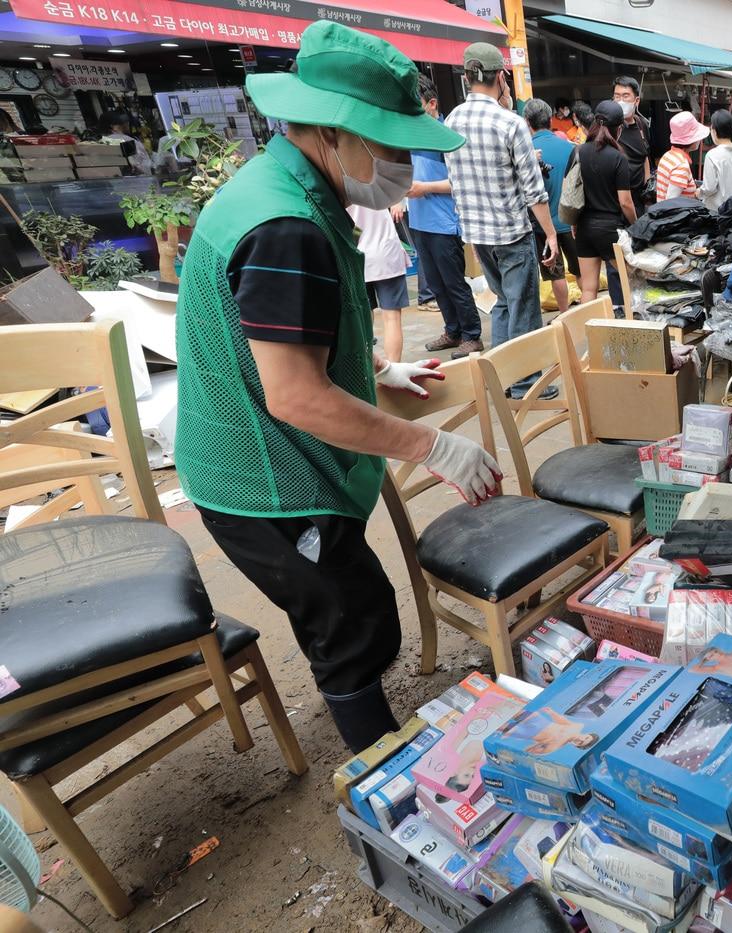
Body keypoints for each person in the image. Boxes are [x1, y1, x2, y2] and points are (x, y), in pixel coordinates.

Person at [173, 21, 502, 753]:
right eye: (389, 144)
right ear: (333, 132)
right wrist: (434, 446)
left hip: (266, 449)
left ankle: (362, 717)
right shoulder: (286, 225)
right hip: (259, 475)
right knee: (353, 616)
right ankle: (381, 765)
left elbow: (292, 330)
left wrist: (381, 368)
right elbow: (296, 395)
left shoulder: (294, 187)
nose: (400, 162)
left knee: (341, 605)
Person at [445, 42, 559, 394]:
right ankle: (524, 382)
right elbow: (533, 190)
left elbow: (457, 181)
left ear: (466, 77)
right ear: (502, 77)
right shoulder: (510, 123)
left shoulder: (451, 121)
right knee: (523, 308)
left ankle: (502, 379)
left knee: (503, 303)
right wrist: (551, 235)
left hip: (477, 234)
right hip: (510, 232)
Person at [406, 76, 483, 356]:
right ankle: (453, 331)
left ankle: (472, 334)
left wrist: (424, 188)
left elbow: (461, 181)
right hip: (419, 221)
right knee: (436, 285)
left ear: (432, 104)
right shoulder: (410, 136)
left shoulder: (446, 135)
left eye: (417, 105)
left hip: (443, 222)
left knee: (454, 283)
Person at [575, 101, 638, 304]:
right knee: (631, 281)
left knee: (588, 288)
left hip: (584, 227)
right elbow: (625, 202)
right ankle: (630, 329)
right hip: (610, 229)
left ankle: (588, 332)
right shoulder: (618, 158)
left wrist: (574, 224)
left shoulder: (578, 152)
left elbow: (572, 194)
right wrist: (636, 226)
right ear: (618, 129)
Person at [524, 98, 582, 314]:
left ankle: (564, 314)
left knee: (556, 273)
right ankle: (586, 311)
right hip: (573, 221)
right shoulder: (571, 147)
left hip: (545, 225)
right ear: (550, 119)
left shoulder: (527, 151)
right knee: (581, 271)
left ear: (527, 122)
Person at [347, 205, 409, 362]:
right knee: (392, 318)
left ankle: (366, 367)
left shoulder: (340, 185)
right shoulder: (379, 183)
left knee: (363, 319)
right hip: (386, 254)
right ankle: (394, 372)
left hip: (357, 255)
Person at [699, 109, 732, 212]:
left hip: (716, 213)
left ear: (714, 130)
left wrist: (699, 192)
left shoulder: (712, 155)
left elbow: (709, 188)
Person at [612, 75, 650, 205]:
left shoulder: (642, 124)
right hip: (617, 199)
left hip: (639, 198)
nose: (620, 101)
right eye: (617, 97)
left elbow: (644, 157)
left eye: (625, 96)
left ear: (636, 100)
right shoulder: (609, 128)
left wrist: (648, 187)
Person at [656, 110, 707, 200]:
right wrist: (695, 195)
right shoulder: (681, 166)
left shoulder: (667, 155)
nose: (699, 140)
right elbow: (671, 202)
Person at [97, 110, 153, 174]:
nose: (127, 124)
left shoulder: (99, 143)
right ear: (113, 126)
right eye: (124, 122)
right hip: (135, 180)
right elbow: (141, 166)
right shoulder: (126, 141)